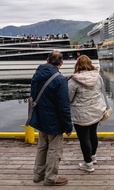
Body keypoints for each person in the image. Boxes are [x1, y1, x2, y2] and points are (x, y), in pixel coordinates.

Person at [29, 51, 73, 186]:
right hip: (54, 121)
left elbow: (32, 95)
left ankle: (38, 174)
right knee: (54, 149)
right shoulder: (60, 80)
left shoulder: (36, 75)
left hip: (40, 118)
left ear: (47, 60)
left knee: (42, 146)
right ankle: (51, 177)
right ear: (61, 63)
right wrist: (68, 126)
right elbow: (64, 106)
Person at [68, 55, 106, 172]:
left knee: (84, 137)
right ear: (90, 64)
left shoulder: (74, 80)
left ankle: (88, 164)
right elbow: (101, 91)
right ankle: (93, 157)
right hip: (96, 111)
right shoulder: (98, 77)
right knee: (93, 134)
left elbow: (68, 98)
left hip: (81, 114)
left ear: (77, 65)